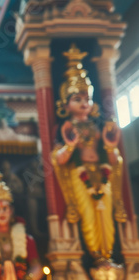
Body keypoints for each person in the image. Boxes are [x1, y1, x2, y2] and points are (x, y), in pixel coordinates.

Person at [52, 44, 127, 264]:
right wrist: (70, 145)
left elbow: (114, 162)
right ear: (65, 104)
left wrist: (112, 146)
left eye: (87, 99)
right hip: (79, 175)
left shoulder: (99, 127)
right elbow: (58, 159)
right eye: (78, 99)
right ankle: (96, 257)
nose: (84, 104)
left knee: (107, 217)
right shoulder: (66, 128)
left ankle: (108, 256)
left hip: (103, 174)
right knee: (89, 215)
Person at [0, 169, 42, 280]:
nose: (1, 212)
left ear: (11, 210)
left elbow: (37, 266)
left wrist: (28, 278)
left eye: (5, 208)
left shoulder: (26, 239)